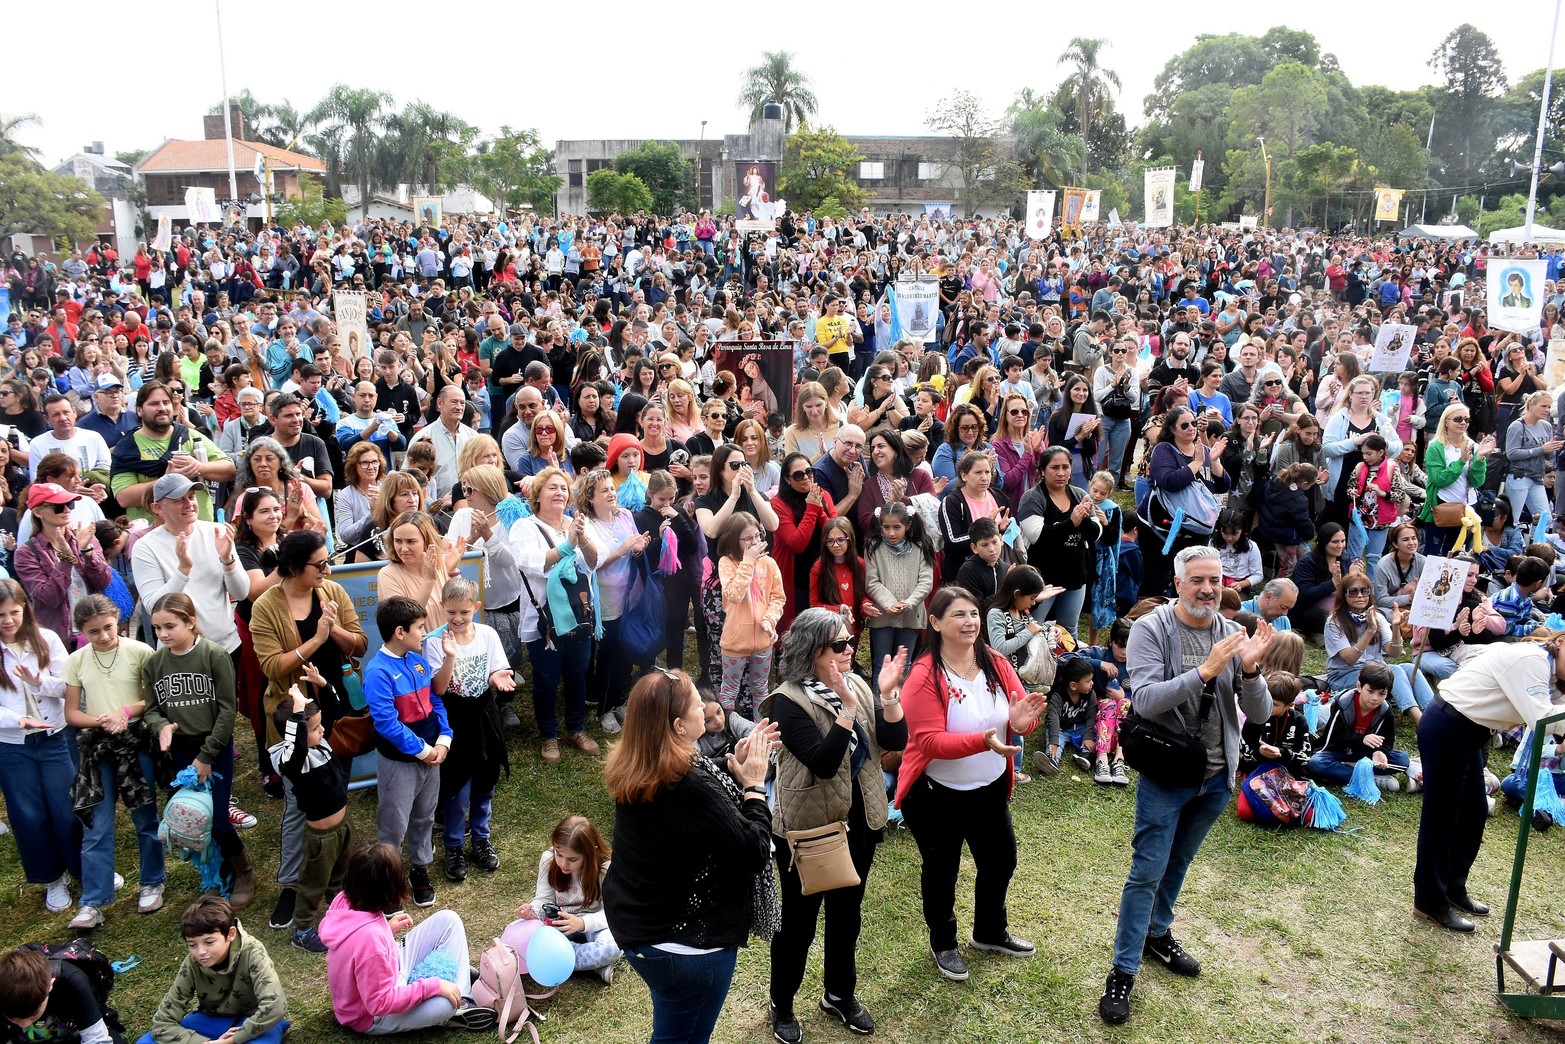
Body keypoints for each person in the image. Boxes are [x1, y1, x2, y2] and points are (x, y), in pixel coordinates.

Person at [1099, 545, 1274, 1026]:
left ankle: (1157, 934)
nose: (1207, 589)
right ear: (1178, 583)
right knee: (1146, 872)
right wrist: (1206, 671)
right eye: (1197, 580)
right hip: (1167, 773)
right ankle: (1123, 970)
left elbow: (1259, 713)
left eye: (1215, 580)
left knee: (1178, 863)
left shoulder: (1231, 633)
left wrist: (1251, 670)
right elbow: (1146, 700)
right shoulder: (1150, 630)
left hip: (1217, 776)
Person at [602, 668, 781, 1044]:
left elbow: (690, 804)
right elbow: (753, 850)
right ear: (679, 726)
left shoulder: (639, 765)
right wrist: (753, 785)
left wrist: (727, 767)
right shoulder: (689, 786)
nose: (707, 708)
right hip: (687, 949)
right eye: (699, 705)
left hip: (640, 931)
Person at [760, 608, 908, 1042]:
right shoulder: (787, 701)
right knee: (799, 924)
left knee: (847, 915)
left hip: (860, 821)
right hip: (811, 828)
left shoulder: (856, 683)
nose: (849, 650)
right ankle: (782, 1003)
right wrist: (847, 710)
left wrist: (888, 696)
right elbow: (823, 763)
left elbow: (893, 742)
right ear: (812, 650)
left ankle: (839, 994)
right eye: (839, 644)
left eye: (850, 642)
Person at [894, 586, 1047, 982]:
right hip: (935, 796)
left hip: (989, 788)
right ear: (935, 622)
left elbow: (1019, 715)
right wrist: (983, 741)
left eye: (974, 614)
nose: (970, 622)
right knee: (942, 871)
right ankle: (944, 943)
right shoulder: (924, 676)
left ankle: (989, 932)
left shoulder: (996, 662)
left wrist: (1021, 723)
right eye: (959, 615)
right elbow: (929, 741)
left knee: (1001, 860)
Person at [143, 593, 254, 909]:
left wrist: (206, 757)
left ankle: (243, 871)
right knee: (192, 819)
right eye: (157, 628)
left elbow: (228, 710)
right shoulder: (154, 664)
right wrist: (161, 726)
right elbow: (151, 709)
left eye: (170, 626)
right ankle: (215, 876)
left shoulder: (213, 655)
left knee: (217, 819)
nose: (163, 634)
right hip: (179, 749)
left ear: (190, 622)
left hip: (214, 746)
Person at [318, 842, 494, 1033]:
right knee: (444, 1006)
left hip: (390, 966)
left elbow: (358, 942)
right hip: (372, 1015)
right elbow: (380, 1003)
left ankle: (461, 993)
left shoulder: (344, 899)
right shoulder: (371, 939)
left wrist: (386, 929)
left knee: (449, 920)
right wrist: (432, 986)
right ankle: (457, 999)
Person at [62, 593, 162, 929]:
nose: (104, 636)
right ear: (81, 632)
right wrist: (102, 721)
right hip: (98, 747)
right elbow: (72, 712)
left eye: (108, 627)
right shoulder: (76, 660)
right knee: (96, 824)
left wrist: (124, 713)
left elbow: (152, 697)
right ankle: (93, 901)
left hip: (136, 741)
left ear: (117, 620)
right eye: (94, 632)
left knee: (145, 817)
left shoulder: (140, 651)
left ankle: (152, 881)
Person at [424, 577, 517, 884]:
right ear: (442, 607)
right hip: (455, 720)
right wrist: (450, 656)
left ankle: (480, 838)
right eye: (451, 612)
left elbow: (496, 669)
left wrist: (497, 677)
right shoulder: (434, 641)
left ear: (476, 607)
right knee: (456, 788)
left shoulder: (487, 634)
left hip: (484, 715)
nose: (458, 618)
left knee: (485, 783)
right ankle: (453, 846)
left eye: (464, 612)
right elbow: (439, 688)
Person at [363, 597, 452, 911]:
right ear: (400, 632)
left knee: (425, 815)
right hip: (400, 763)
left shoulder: (418, 661)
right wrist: (424, 750)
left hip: (431, 756)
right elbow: (386, 723)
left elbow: (435, 701)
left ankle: (419, 868)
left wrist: (444, 738)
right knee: (394, 823)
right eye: (420, 628)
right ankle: (388, 880)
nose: (425, 633)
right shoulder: (377, 672)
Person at [0, 579, 76, 915]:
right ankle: (52, 879)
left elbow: (68, 687)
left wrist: (38, 682)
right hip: (12, 745)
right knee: (28, 815)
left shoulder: (47, 639)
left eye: (14, 612)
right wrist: (17, 720)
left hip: (54, 738)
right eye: (0, 615)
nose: (8, 621)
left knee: (67, 807)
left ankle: (84, 867)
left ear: (25, 609)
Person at [513, 467, 595, 763]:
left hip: (578, 614)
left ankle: (576, 729)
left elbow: (594, 562)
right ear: (537, 495)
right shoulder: (524, 527)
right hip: (544, 620)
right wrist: (568, 544)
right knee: (546, 679)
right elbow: (533, 564)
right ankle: (548, 735)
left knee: (577, 674)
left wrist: (583, 539)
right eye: (552, 487)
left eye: (563, 488)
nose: (559, 492)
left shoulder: (576, 522)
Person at [143, 897, 288, 1044]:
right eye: (192, 945)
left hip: (256, 1018)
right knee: (146, 1041)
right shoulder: (192, 962)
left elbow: (275, 1005)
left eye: (209, 942)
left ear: (230, 934)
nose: (200, 952)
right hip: (212, 1018)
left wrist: (231, 1040)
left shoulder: (253, 952)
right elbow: (162, 1023)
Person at [511, 815, 621, 984]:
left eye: (572, 859)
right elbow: (544, 898)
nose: (563, 864)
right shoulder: (548, 859)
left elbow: (612, 914)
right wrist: (532, 910)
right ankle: (591, 966)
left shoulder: (605, 868)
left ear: (590, 852)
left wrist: (582, 923)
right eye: (559, 854)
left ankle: (554, 960)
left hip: (593, 924)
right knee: (516, 933)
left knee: (612, 947)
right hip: (558, 924)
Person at [12, 482, 111, 645]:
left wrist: (87, 551)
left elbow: (104, 582)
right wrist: (66, 560)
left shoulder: (84, 537)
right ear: (37, 512)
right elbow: (48, 599)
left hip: (96, 631)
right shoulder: (26, 553)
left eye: (69, 504)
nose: (66, 510)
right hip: (60, 638)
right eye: (58, 507)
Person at [1306, 660, 1410, 789]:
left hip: (1365, 754)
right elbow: (1334, 737)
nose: (1375, 698)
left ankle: (1348, 770)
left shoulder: (1385, 711)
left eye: (1381, 693)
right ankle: (1370, 779)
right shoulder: (1343, 704)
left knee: (1402, 759)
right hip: (1339, 750)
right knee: (1316, 763)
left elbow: (1387, 741)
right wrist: (1362, 739)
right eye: (1370, 691)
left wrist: (1379, 751)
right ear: (1359, 686)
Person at [0, 945, 126, 1044]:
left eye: (33, 1015)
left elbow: (96, 1039)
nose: (25, 1024)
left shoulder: (72, 981)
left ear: (50, 985)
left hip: (77, 1034)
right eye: (13, 1018)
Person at [864, 501, 937, 670]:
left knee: (904, 665)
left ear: (908, 525)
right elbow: (872, 582)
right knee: (882, 664)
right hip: (882, 615)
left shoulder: (920, 547)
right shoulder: (873, 547)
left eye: (897, 527)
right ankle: (879, 690)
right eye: (886, 527)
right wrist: (889, 603)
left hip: (911, 615)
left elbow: (926, 582)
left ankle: (903, 690)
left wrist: (908, 603)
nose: (891, 533)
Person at [1419, 404, 1494, 558]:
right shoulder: (1436, 447)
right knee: (1433, 555)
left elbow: (1477, 482)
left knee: (1457, 555)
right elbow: (1439, 479)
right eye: (1458, 419)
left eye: (1466, 419)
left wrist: (1480, 459)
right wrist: (1460, 462)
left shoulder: (1473, 446)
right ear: (1446, 422)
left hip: (1466, 507)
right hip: (1441, 505)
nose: (1463, 423)